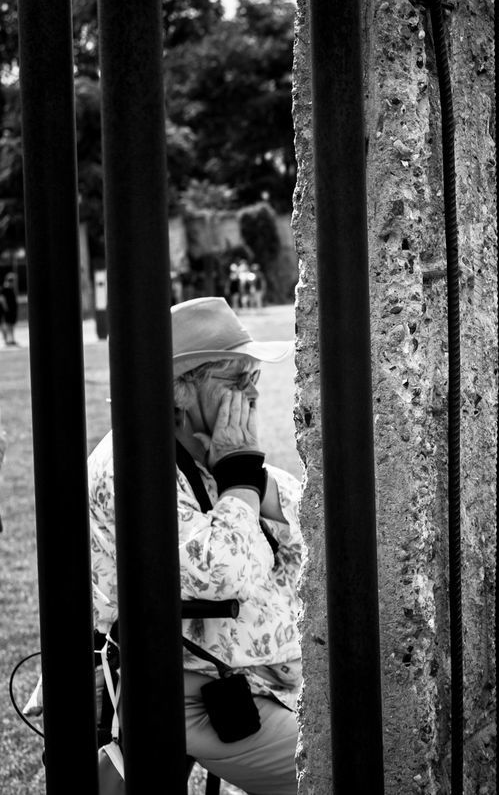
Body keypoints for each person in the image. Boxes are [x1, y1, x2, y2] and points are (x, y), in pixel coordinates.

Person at [86, 297, 302, 794]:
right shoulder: (133, 463)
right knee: (339, 767)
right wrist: (242, 486)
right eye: (235, 381)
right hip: (190, 690)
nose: (251, 394)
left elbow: (315, 517)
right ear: (180, 390)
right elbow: (222, 572)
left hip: (246, 677)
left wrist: (246, 479)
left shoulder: (205, 446)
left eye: (254, 378)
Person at [1, 272, 18, 346]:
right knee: (8, 325)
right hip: (8, 310)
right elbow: (2, 299)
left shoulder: (10, 288)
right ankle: (8, 340)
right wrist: (6, 308)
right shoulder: (5, 288)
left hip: (11, 310)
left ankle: (11, 339)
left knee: (11, 325)